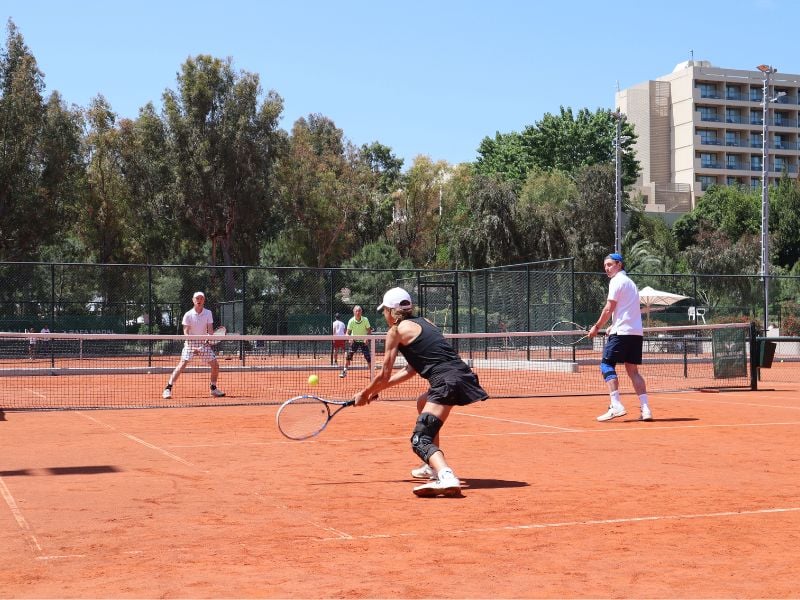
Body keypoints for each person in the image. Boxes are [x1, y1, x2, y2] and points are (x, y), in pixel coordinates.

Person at [352, 287, 489, 497]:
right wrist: (376, 391)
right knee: (422, 402)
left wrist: (364, 392)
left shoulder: (395, 332)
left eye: (384, 311)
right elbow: (412, 369)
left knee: (419, 440)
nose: (384, 315)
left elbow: (384, 374)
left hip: (445, 382)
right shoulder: (426, 322)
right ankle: (432, 465)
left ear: (390, 311)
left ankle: (446, 475)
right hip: (461, 375)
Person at [588, 253, 651, 422]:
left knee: (606, 364)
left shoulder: (616, 281)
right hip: (635, 333)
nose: (607, 268)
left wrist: (597, 327)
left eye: (609, 265)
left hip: (622, 333)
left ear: (619, 264)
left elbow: (609, 308)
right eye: (605, 266)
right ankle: (646, 410)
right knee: (633, 371)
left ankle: (616, 405)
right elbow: (627, 311)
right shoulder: (631, 283)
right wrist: (613, 326)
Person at [162, 291, 225, 399]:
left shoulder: (208, 313)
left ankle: (213, 388)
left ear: (204, 300)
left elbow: (210, 331)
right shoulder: (188, 315)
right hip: (190, 343)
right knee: (182, 364)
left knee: (215, 365)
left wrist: (208, 340)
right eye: (197, 298)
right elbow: (186, 333)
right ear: (193, 300)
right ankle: (168, 388)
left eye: (201, 298)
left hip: (203, 343)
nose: (199, 300)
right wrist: (192, 347)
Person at [339, 305, 372, 378]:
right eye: (356, 311)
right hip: (354, 341)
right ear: (354, 312)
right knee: (348, 356)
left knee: (368, 357)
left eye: (359, 311)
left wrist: (367, 338)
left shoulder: (365, 320)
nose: (358, 312)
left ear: (361, 312)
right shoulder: (351, 321)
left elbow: (369, 331)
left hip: (363, 341)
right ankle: (344, 371)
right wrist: (350, 338)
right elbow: (347, 333)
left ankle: (372, 374)